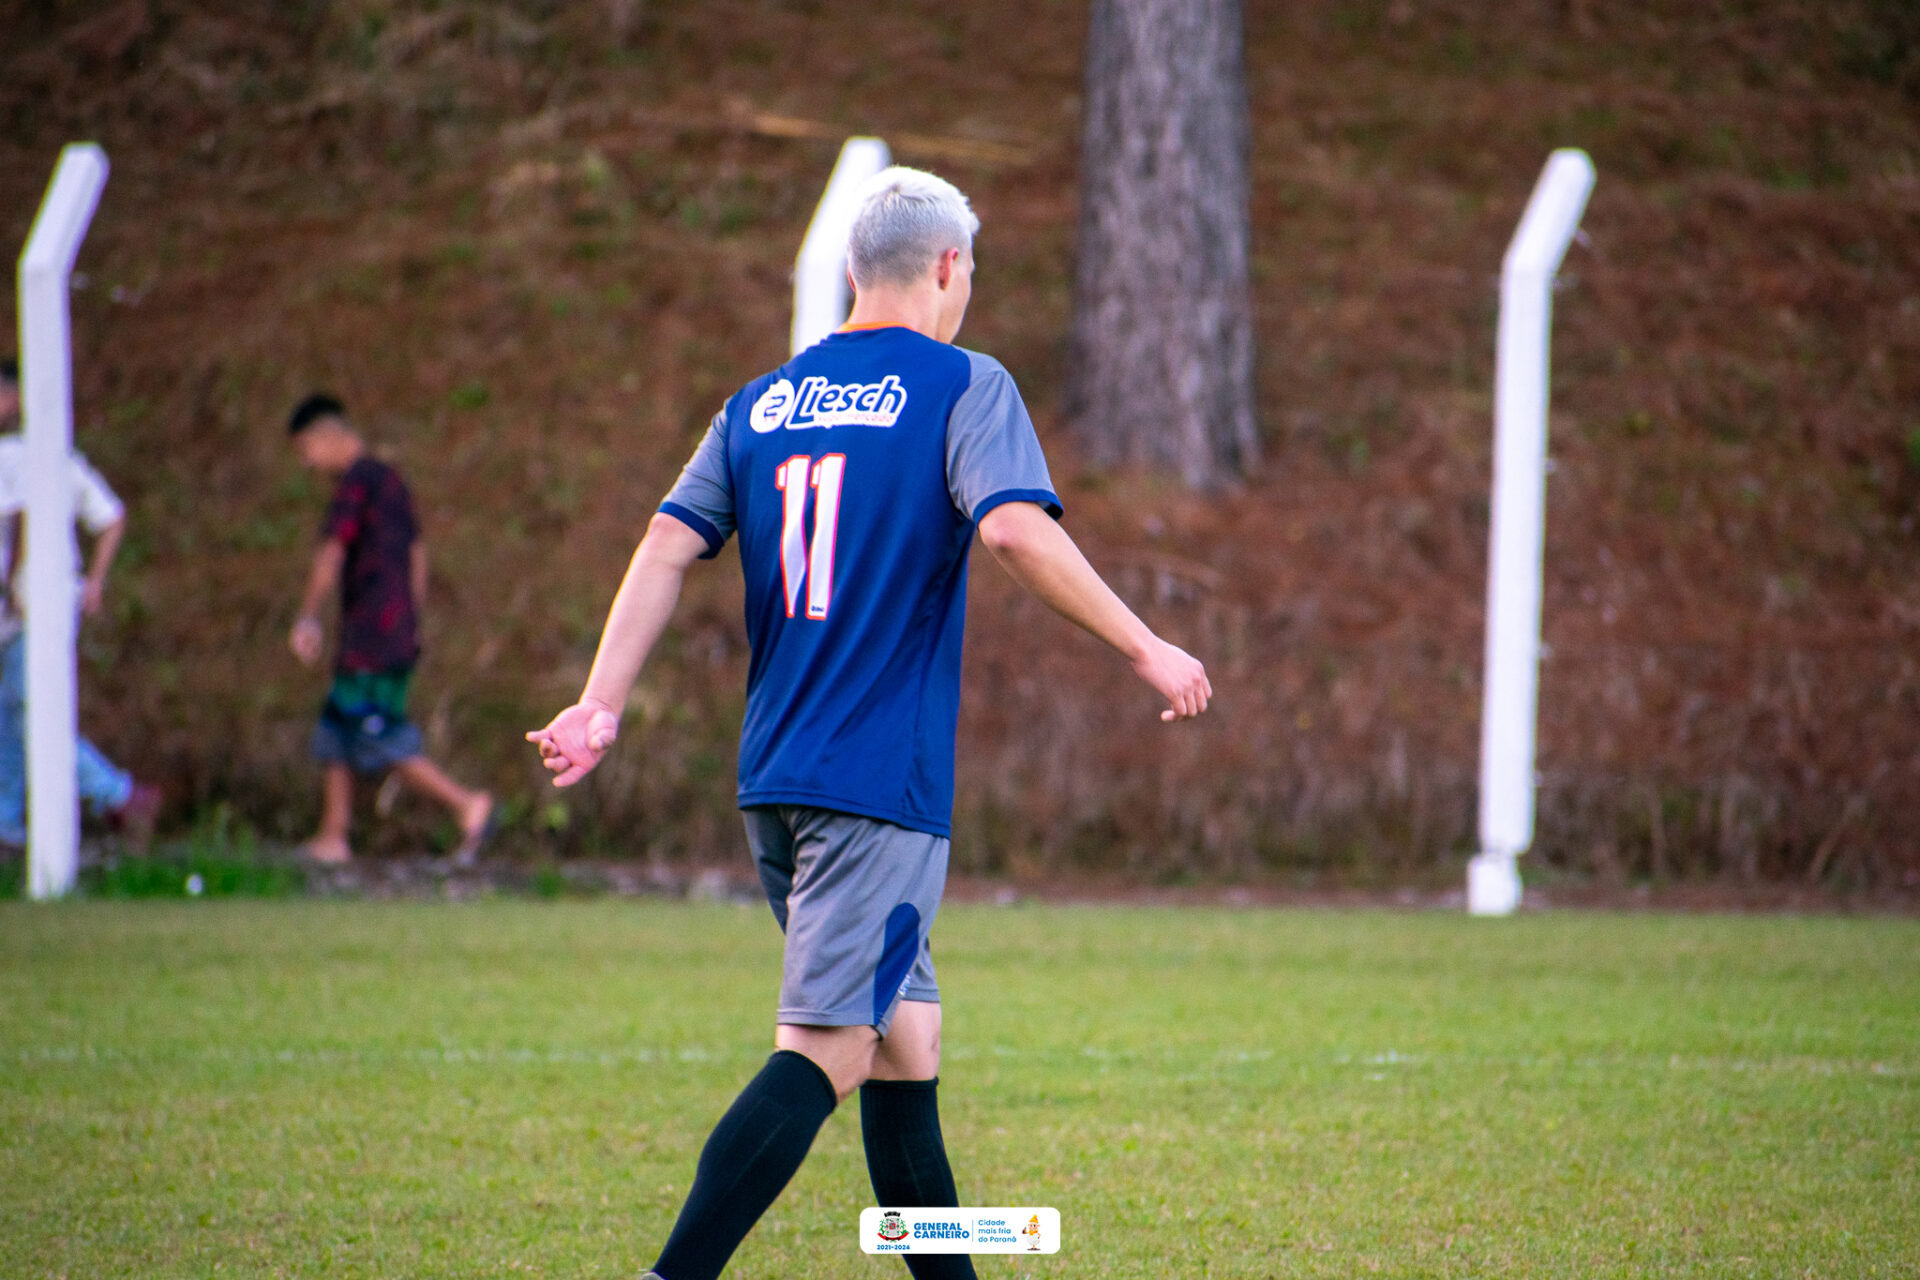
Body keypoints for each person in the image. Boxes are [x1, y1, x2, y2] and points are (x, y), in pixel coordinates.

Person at [528, 167, 1211, 1280]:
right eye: (970, 274)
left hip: (777, 775)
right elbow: (1014, 534)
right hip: (875, 788)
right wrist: (1147, 644)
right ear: (949, 267)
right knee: (830, 1047)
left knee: (906, 1046)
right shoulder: (963, 385)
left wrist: (599, 702)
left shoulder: (762, 401)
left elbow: (664, 544)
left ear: (852, 272)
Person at [285, 393, 493, 864]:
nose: (306, 464)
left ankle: (467, 805)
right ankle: (334, 835)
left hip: (371, 638)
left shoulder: (354, 485)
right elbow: (417, 553)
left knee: (379, 735)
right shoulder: (392, 481)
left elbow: (331, 553)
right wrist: (412, 620)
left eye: (304, 450)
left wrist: (308, 615)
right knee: (335, 728)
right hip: (392, 632)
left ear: (324, 437)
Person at [0, 356, 160, 850]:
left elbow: (22, 518)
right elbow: (111, 516)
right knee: (12, 710)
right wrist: (94, 581)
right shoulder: (60, 456)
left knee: (32, 712)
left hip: (25, 607)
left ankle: (119, 793)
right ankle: (6, 818)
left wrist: (14, 587)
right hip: (51, 600)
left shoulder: (13, 456)